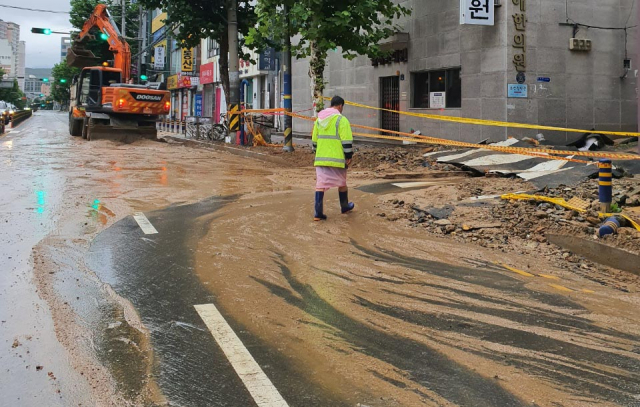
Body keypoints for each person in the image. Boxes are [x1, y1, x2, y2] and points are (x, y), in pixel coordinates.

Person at [312, 96, 355, 221]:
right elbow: (346, 140)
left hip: (321, 158)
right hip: (337, 159)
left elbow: (314, 139)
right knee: (342, 183)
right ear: (340, 106)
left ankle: (318, 214)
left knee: (320, 184)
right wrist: (348, 156)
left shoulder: (319, 120)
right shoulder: (341, 120)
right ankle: (345, 206)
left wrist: (316, 152)